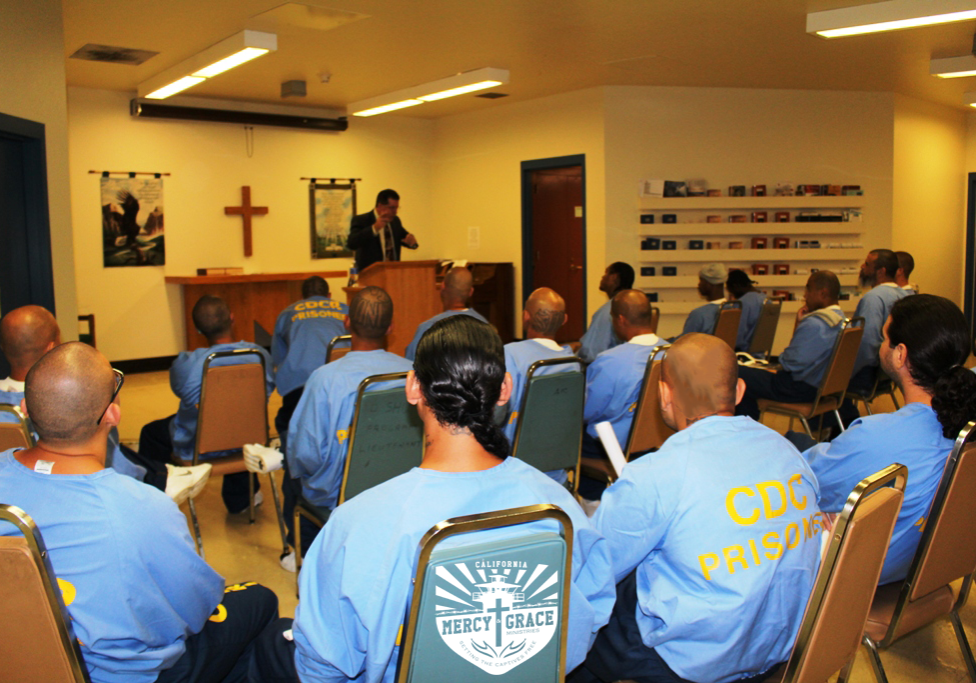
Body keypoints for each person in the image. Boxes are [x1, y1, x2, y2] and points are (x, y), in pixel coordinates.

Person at [293, 315, 616, 683]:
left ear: (413, 387)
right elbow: (585, 620)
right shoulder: (558, 508)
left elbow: (323, 664)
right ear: (505, 389)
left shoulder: (359, 523)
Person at [0, 342, 296, 683]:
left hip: (21, 663)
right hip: (123, 676)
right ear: (112, 414)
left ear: (25, 408)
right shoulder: (140, 507)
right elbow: (195, 610)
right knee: (259, 600)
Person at [571, 334, 822, 683]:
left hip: (696, 663)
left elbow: (592, 566)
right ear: (739, 392)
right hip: (778, 648)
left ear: (663, 394)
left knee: (584, 617)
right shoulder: (788, 453)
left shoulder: (657, 474)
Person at [800, 294, 976, 585]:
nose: (880, 345)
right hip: (923, 569)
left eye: (884, 338)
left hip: (862, 579)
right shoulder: (965, 420)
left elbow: (801, 483)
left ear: (900, 354)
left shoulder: (876, 436)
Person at [0, 305, 209, 503]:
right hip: (86, 489)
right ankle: (158, 480)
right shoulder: (70, 401)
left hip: (18, 494)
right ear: (52, 348)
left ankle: (162, 473)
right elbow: (107, 460)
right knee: (104, 436)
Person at [286, 286, 412, 555]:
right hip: (402, 489)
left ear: (346, 322)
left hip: (340, 498)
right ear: (390, 327)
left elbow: (306, 455)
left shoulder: (325, 379)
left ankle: (307, 555)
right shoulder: (413, 374)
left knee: (291, 471)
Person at [138, 295, 273, 513]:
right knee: (237, 416)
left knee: (151, 433)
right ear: (232, 318)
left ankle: (155, 500)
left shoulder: (186, 364)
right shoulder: (259, 355)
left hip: (199, 446)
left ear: (198, 330)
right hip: (249, 439)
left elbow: (179, 389)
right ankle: (242, 499)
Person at [580, 290, 666, 500]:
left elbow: (586, 412)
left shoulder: (609, 361)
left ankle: (591, 505)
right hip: (657, 442)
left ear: (620, 320)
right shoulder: (671, 351)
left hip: (612, 448)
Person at [736, 271, 845, 421]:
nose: (805, 295)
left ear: (823, 293)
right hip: (819, 388)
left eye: (808, 289)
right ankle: (749, 427)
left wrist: (777, 362)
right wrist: (799, 324)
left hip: (796, 388)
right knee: (750, 382)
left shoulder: (815, 323)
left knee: (736, 372)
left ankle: (744, 428)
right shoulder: (842, 320)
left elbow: (789, 363)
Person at [503, 287, 578, 482]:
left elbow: (498, 409)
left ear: (525, 317)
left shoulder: (510, 355)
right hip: (557, 473)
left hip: (513, 472)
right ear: (564, 320)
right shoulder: (573, 363)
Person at [271, 275, 348, 447]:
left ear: (302, 298)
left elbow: (278, 357)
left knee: (285, 421)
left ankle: (290, 453)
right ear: (329, 295)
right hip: (340, 383)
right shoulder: (346, 310)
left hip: (299, 384)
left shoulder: (287, 313)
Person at [843, 249, 911, 423]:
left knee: (820, 380)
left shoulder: (873, 298)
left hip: (867, 376)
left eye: (867, 264)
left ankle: (835, 431)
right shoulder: (904, 295)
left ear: (881, 271)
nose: (862, 267)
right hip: (888, 376)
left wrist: (845, 372)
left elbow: (867, 344)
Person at [404, 265, 488, 360]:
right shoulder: (485, 326)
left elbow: (411, 364)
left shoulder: (428, 328)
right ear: (471, 291)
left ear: (442, 286)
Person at [347, 188, 419, 273]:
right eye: (392, 208)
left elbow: (405, 238)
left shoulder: (395, 221)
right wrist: (374, 228)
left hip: (393, 273)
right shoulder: (361, 220)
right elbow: (352, 243)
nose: (395, 212)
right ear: (380, 206)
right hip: (370, 275)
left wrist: (412, 243)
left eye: (397, 208)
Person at [579, 262, 634, 363]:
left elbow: (590, 353)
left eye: (606, 273)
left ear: (614, 277)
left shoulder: (608, 311)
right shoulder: (634, 307)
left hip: (604, 365)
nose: (602, 277)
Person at [679, 263, 727, 336]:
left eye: (701, 281)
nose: (699, 285)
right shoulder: (733, 309)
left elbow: (685, 340)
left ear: (709, 283)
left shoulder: (699, 315)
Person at [726, 268, 766, 353]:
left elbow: (737, 335)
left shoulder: (742, 303)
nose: (733, 295)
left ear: (736, 286)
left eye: (732, 292)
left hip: (743, 353)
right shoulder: (765, 299)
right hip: (761, 352)